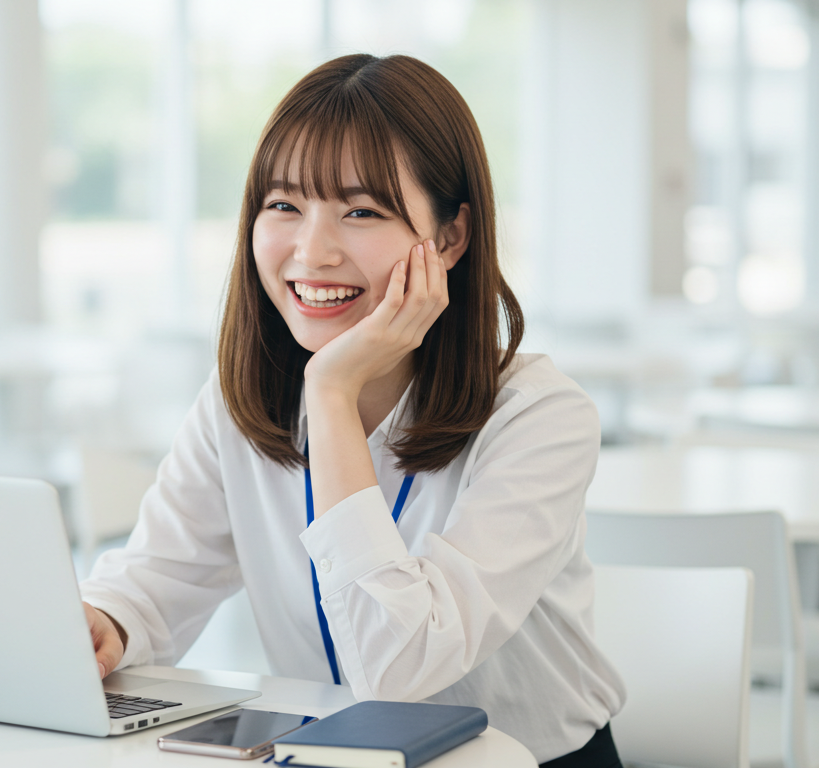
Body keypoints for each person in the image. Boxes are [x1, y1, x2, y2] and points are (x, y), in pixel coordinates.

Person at [78, 53, 627, 767]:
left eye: (361, 211)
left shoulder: (537, 417)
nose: (312, 250)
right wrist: (107, 619)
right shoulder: (238, 401)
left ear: (451, 237)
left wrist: (332, 395)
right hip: (322, 758)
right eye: (284, 206)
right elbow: (159, 576)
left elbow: (398, 670)